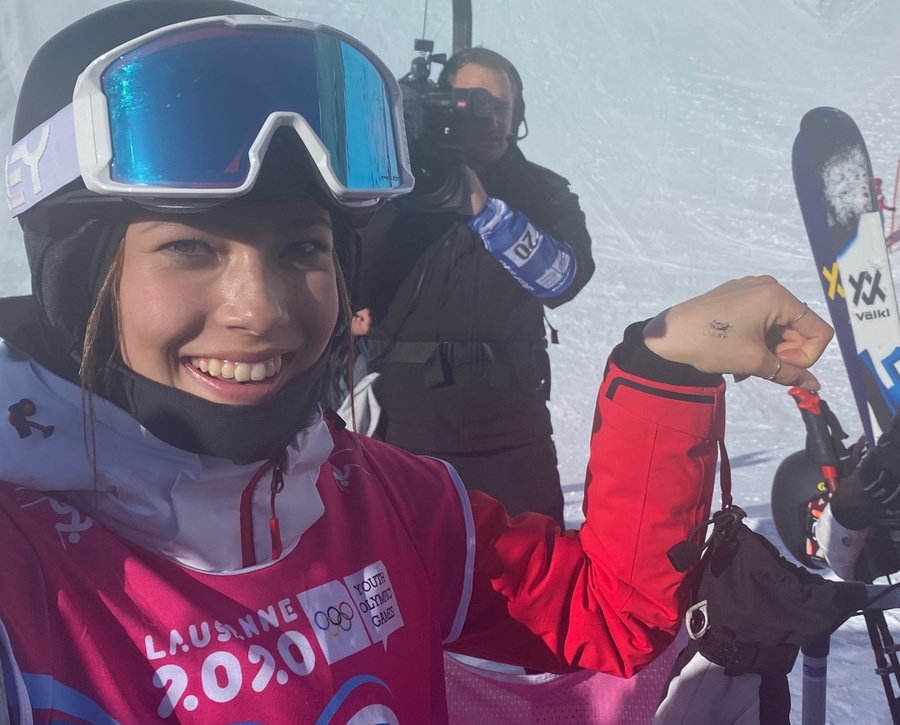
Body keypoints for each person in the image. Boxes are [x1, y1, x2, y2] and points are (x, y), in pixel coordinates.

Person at [0, 0, 832, 722]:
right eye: (188, 246)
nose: (259, 309)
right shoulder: (26, 566)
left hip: (500, 419)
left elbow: (602, 611)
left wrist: (667, 363)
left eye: (301, 249)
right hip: (415, 408)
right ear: (78, 277)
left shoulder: (384, 503)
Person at [356, 47, 595, 529]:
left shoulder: (542, 192)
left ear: (518, 114)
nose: (486, 118)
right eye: (470, 103)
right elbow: (335, 264)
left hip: (509, 430)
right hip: (402, 429)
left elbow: (564, 279)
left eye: (499, 107)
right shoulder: (390, 183)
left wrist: (489, 214)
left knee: (532, 583)